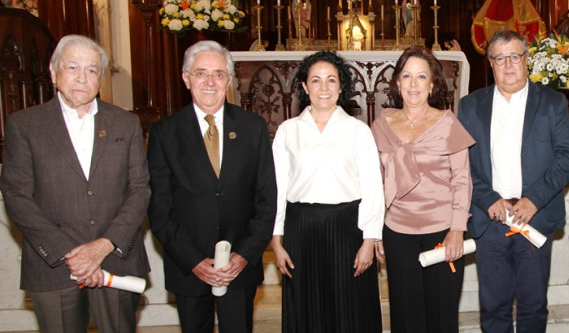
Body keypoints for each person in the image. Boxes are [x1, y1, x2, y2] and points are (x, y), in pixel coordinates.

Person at [1, 35, 150, 332]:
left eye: (92, 70)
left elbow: (140, 189)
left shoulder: (126, 123)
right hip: (54, 266)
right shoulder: (24, 125)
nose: (82, 77)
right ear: (54, 71)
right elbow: (17, 196)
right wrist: (74, 256)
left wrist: (102, 248)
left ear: (101, 78)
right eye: (72, 67)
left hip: (115, 260)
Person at [148, 40, 277, 333]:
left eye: (218, 74)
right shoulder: (164, 133)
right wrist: (194, 261)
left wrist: (244, 255)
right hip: (189, 266)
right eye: (201, 73)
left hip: (238, 267)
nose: (210, 82)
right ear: (185, 77)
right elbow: (159, 209)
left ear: (229, 81)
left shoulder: (253, 127)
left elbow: (267, 198)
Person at [458, 30, 569, 333]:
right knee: (494, 308)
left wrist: (534, 199)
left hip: (533, 219)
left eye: (515, 56)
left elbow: (567, 155)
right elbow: (462, 162)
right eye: (500, 58)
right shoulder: (471, 106)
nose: (508, 64)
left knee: (533, 306)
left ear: (527, 60)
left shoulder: (552, 103)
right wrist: (488, 200)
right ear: (491, 64)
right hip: (491, 221)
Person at [270, 51, 384, 332]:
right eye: (316, 80)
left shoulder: (358, 131)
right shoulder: (288, 130)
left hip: (347, 229)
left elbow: (372, 186)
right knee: (306, 308)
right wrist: (276, 238)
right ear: (305, 87)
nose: (324, 88)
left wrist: (369, 239)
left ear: (341, 86)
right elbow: (277, 187)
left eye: (331, 80)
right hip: (301, 229)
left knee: (351, 309)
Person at [371, 45, 474, 333]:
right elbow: (375, 183)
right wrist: (375, 230)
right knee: (405, 316)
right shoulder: (381, 125)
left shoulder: (447, 123)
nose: (413, 84)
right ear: (397, 83)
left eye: (421, 77)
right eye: (407, 76)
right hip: (397, 232)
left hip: (441, 231)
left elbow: (462, 180)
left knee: (441, 316)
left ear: (432, 85)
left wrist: (457, 230)